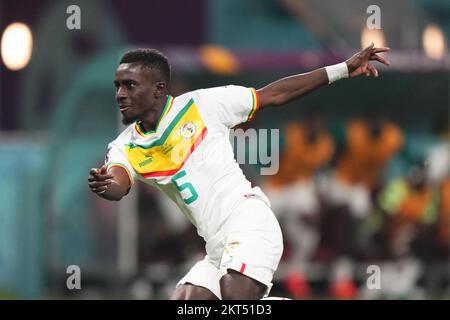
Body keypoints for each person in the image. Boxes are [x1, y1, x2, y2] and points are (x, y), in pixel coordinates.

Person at [88, 43, 390, 300]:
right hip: (216, 246)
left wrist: (343, 69)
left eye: (129, 85)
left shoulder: (202, 105)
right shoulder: (124, 146)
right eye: (117, 86)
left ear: (158, 89)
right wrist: (107, 184)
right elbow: (118, 181)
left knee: (234, 295)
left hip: (248, 221)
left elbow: (274, 95)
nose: (120, 94)